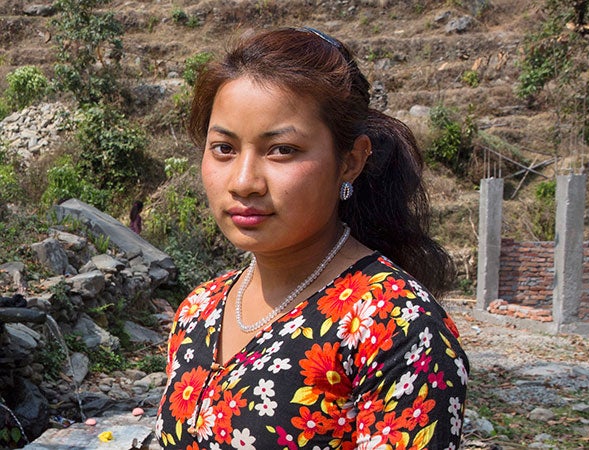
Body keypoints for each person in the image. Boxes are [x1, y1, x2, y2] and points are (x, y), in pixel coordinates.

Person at [155, 27, 469, 449]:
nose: (244, 182)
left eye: (282, 149)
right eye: (224, 148)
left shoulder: (397, 326)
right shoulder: (199, 310)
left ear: (351, 161)